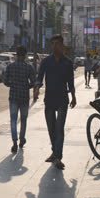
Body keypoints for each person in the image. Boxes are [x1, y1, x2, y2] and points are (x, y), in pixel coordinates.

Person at [34, 35, 76, 170]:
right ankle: (55, 152)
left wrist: (74, 96)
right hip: (49, 100)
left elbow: (71, 82)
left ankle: (58, 157)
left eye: (57, 43)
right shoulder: (46, 61)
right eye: (52, 44)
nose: (54, 46)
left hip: (63, 99)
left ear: (62, 45)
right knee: (51, 129)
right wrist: (36, 88)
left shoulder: (68, 63)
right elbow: (39, 77)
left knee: (59, 129)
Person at [3, 45, 36, 153]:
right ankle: (22, 139)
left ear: (16, 54)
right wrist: (27, 86)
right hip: (24, 97)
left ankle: (14, 142)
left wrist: (12, 84)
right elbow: (33, 82)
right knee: (23, 120)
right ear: (25, 55)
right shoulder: (29, 67)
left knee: (13, 120)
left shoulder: (10, 66)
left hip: (13, 97)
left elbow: (5, 81)